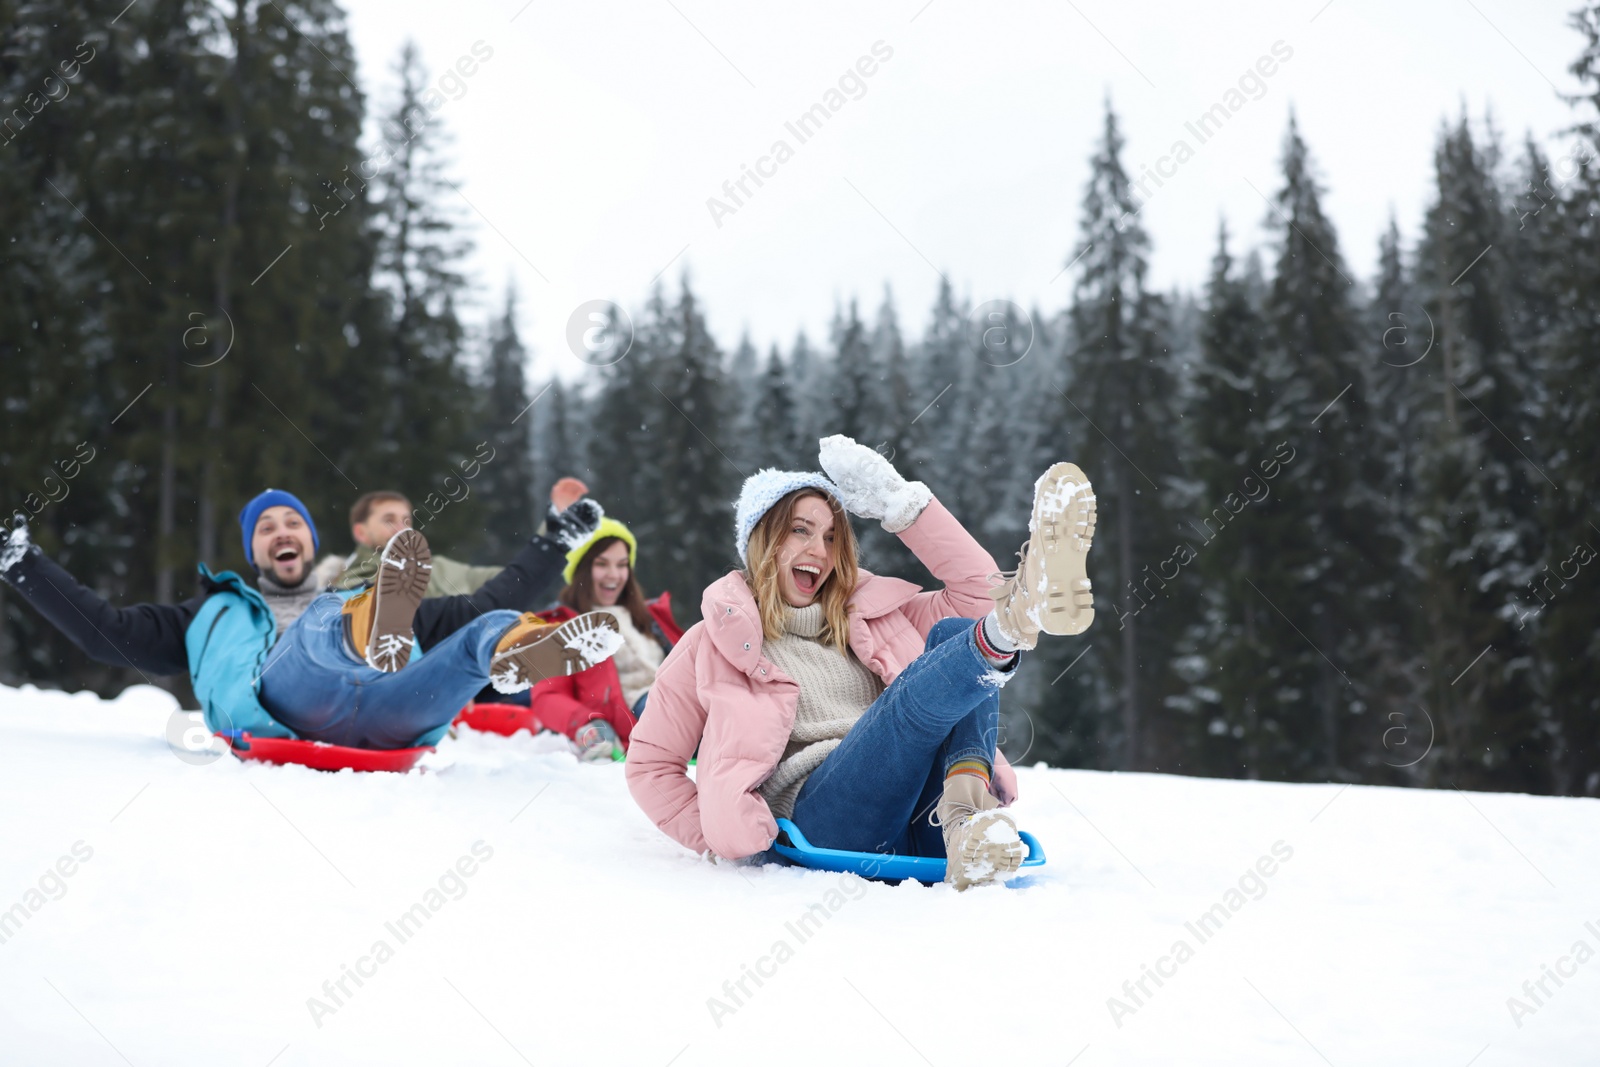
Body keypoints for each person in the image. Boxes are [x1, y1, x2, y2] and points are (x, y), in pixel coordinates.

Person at [626, 435, 1097, 890]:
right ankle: (1015, 621)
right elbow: (651, 765)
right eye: (800, 531)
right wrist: (722, 834)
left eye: (832, 537)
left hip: (922, 816)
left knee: (953, 635)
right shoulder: (710, 645)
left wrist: (903, 506)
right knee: (907, 706)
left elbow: (978, 594)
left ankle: (964, 824)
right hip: (827, 819)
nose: (820, 551)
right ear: (761, 540)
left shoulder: (875, 619)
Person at [0, 487, 624, 751]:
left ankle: (518, 653)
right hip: (282, 704)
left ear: (309, 536)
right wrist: (22, 562)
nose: (282, 532)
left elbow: (484, 597)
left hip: (392, 709)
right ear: (253, 552)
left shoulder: (340, 580)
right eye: (266, 528)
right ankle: (368, 628)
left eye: (293, 522)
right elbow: (105, 631)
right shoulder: (211, 614)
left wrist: (554, 542)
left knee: (482, 627)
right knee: (327, 618)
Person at [518, 517, 684, 762]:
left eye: (622, 564)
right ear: (582, 568)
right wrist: (587, 724)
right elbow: (546, 698)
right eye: (602, 564)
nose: (613, 575)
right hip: (644, 711)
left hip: (684, 698)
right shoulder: (562, 628)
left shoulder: (650, 617)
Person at [323, 479, 589, 596]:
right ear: (361, 532)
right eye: (388, 520)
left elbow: (509, 579)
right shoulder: (345, 582)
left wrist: (553, 530)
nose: (401, 529)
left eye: (406, 521)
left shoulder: (438, 569)